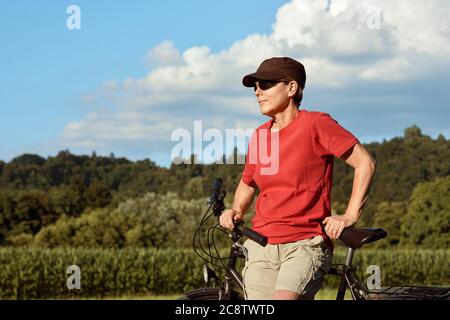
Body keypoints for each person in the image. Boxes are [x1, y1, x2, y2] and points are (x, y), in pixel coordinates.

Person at [219, 57, 376, 300]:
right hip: (262, 245)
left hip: (305, 243)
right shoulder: (260, 136)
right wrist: (235, 211)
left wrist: (350, 215)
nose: (258, 91)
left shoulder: (316, 124)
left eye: (266, 84)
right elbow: (248, 183)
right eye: (255, 87)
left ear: (292, 88)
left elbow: (365, 162)